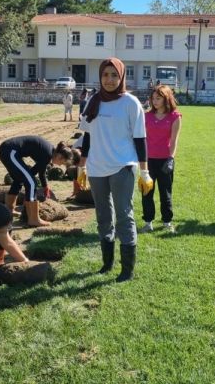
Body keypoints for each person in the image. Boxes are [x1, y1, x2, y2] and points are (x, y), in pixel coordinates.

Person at [79, 58, 152, 282]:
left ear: (122, 77)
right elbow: (87, 137)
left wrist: (144, 172)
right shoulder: (93, 101)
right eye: (105, 75)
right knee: (103, 216)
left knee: (123, 215)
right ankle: (107, 263)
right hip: (96, 168)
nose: (109, 80)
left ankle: (127, 270)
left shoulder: (130, 103)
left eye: (114, 75)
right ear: (100, 76)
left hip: (122, 166)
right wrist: (82, 166)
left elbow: (140, 139)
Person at [0, 136, 73, 227]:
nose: (61, 165)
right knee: (31, 182)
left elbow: (39, 171)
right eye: (63, 162)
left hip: (7, 150)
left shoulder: (49, 152)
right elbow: (33, 173)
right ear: (59, 156)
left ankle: (9, 210)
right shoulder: (47, 153)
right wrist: (30, 186)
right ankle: (33, 219)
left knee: (20, 179)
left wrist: (45, 186)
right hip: (10, 151)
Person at [140, 85, 182, 234]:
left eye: (158, 98)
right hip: (148, 161)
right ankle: (148, 222)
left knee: (166, 193)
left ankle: (167, 222)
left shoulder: (175, 117)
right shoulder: (146, 116)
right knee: (147, 192)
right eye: (153, 98)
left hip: (165, 160)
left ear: (166, 99)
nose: (155, 101)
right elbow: (141, 139)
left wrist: (171, 158)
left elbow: (174, 141)